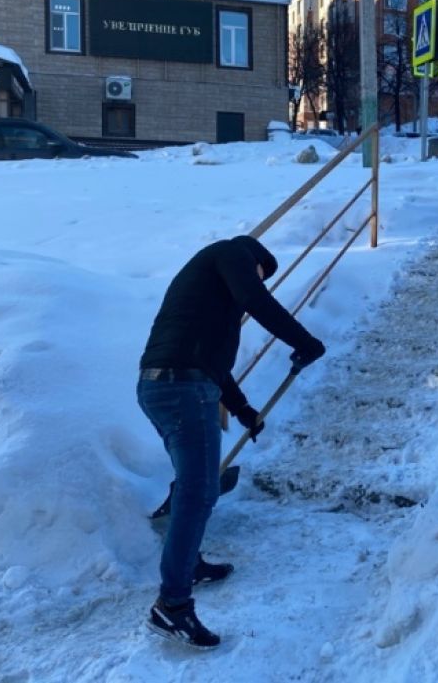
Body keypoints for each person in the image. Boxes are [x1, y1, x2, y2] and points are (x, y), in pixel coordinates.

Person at [137, 234, 326, 648]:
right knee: (199, 489)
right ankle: (172, 606)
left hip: (165, 386)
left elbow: (214, 366)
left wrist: (243, 411)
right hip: (182, 387)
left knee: (194, 483)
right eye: (261, 276)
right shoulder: (232, 253)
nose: (258, 284)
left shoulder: (208, 301)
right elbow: (257, 301)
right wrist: (304, 342)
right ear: (256, 261)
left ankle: (188, 566)